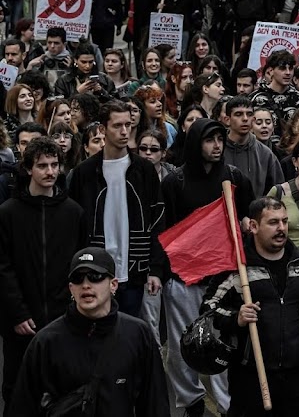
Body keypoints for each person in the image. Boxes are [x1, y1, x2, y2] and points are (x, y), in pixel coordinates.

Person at [203, 197, 299, 417]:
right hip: (250, 377)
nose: (281, 228)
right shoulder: (235, 267)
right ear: (254, 226)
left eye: (285, 221)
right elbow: (208, 309)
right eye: (273, 222)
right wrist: (236, 318)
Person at [161, 118, 255, 416]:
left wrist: (248, 225)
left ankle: (227, 405)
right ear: (194, 143)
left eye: (220, 139)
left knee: (222, 343)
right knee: (181, 346)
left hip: (224, 277)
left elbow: (247, 216)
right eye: (209, 140)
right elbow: (165, 231)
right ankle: (192, 401)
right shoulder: (175, 182)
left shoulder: (234, 176)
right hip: (184, 277)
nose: (217, 146)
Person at [9, 247, 170, 416]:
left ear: (113, 284)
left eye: (95, 277)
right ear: (71, 288)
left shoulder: (138, 335)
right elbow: (22, 406)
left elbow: (155, 403)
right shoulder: (46, 342)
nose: (86, 285)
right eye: (78, 279)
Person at [0, 137, 86, 413]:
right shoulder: (8, 213)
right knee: (18, 387)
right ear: (28, 169)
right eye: (42, 166)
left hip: (63, 317)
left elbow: (80, 263)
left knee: (64, 389)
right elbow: (3, 267)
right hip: (21, 321)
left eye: (54, 165)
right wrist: (17, 313)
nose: (50, 172)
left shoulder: (73, 212)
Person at [67, 100, 166, 318]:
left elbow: (157, 219)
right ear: (103, 129)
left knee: (129, 332)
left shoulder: (144, 170)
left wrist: (155, 269)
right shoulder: (84, 173)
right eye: (117, 125)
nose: (124, 131)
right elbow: (74, 225)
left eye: (128, 125)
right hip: (94, 271)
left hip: (134, 271)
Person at [223, 96, 285, 195]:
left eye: (249, 114)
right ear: (227, 119)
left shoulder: (265, 154)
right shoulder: (218, 150)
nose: (245, 118)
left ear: (253, 119)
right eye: (238, 114)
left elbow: (278, 192)